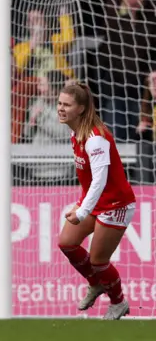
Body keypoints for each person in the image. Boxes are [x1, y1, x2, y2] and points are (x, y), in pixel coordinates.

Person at [57, 83, 134, 320]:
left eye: (66, 105)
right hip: (96, 201)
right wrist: (82, 203)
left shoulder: (95, 139)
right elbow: (89, 179)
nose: (60, 108)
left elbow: (99, 180)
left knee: (99, 260)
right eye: (59, 103)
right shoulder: (75, 132)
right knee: (66, 242)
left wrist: (82, 211)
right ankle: (96, 283)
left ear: (80, 109)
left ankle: (119, 302)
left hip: (116, 205)